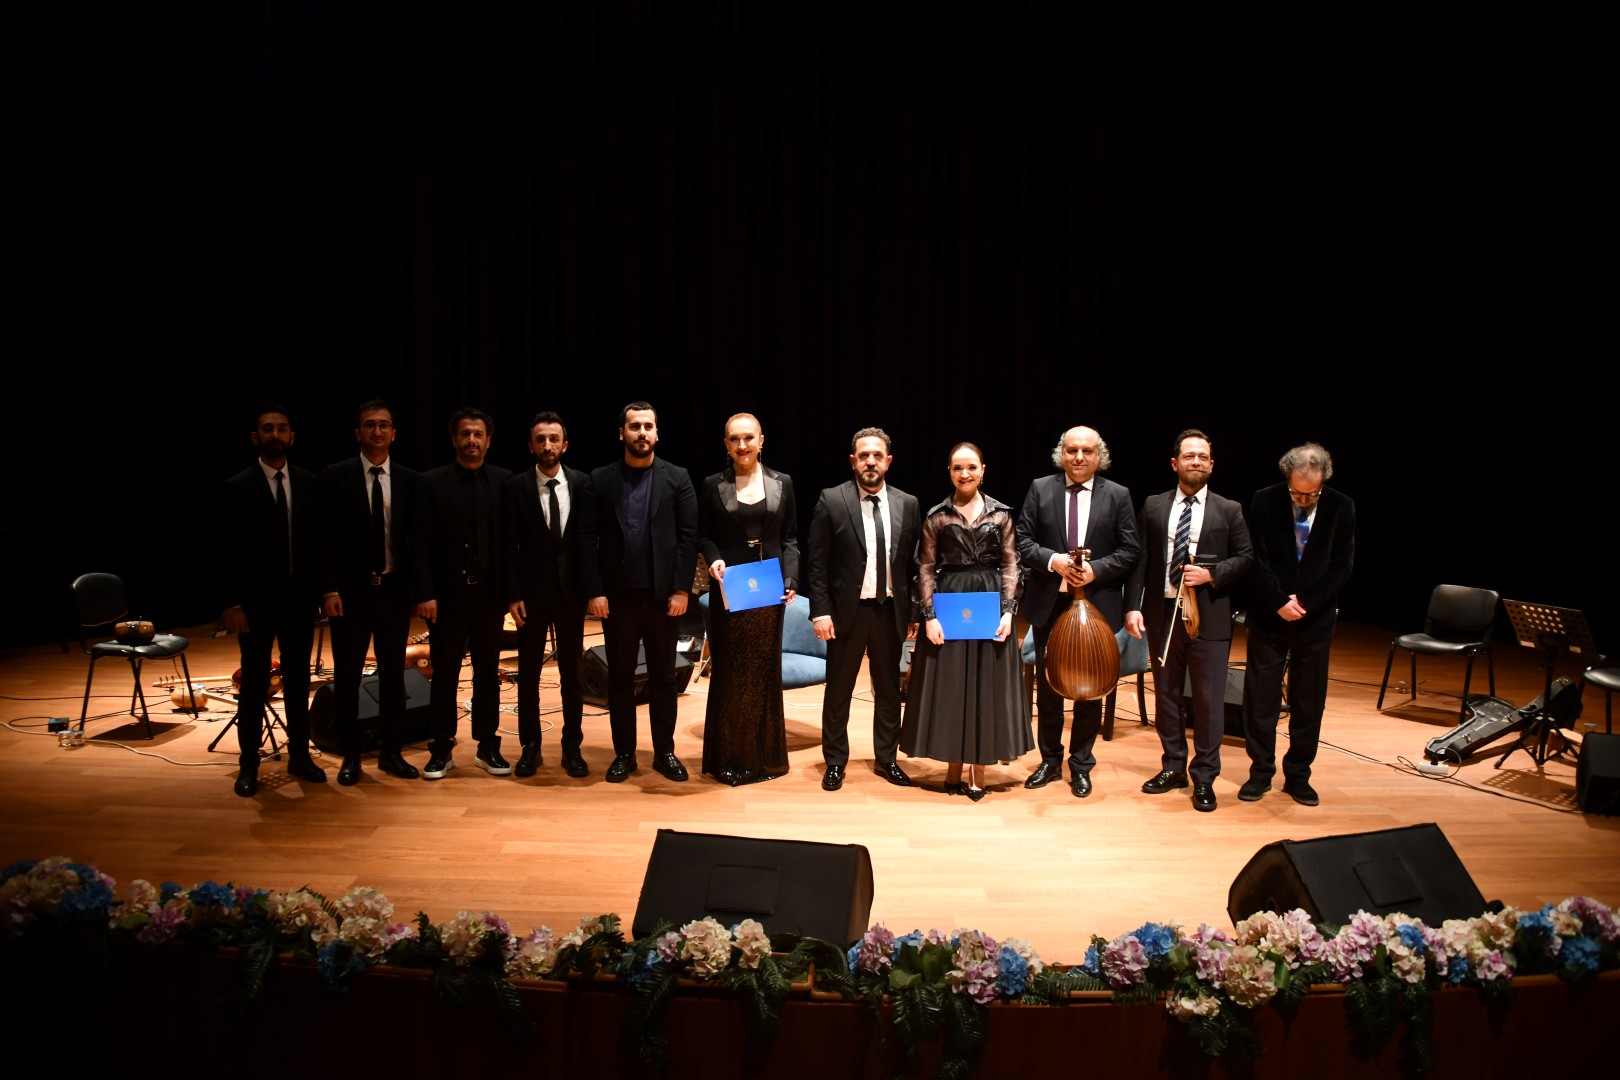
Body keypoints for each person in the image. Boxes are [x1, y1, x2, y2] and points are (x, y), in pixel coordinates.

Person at [1125, 429, 1253, 812]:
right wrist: (1133, 606)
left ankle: (1205, 777)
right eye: (1189, 456)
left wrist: (1211, 574)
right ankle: (1173, 767)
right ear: (1174, 463)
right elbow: (1141, 560)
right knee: (1165, 695)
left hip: (1208, 616)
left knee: (1209, 701)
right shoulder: (1152, 505)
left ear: (1211, 465)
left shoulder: (1229, 510)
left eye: (1202, 457)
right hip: (1163, 615)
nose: (1195, 461)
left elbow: (1246, 557)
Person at [1015, 425, 1140, 798]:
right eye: (1072, 450)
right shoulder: (1041, 488)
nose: (1079, 457)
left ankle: (1081, 764)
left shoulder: (1117, 495)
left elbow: (1131, 550)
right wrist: (1054, 561)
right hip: (1050, 604)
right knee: (1050, 687)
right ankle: (1050, 761)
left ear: (1098, 455)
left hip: (1098, 605)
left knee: (1091, 687)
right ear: (1061, 454)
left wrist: (1096, 569)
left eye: (1087, 451)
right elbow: (1022, 541)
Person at [900, 442, 1030, 800]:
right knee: (952, 684)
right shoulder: (937, 516)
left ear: (983, 469)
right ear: (950, 472)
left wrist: (1008, 611)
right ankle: (953, 765)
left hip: (989, 601)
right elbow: (924, 567)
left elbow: (1011, 565)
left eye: (971, 467)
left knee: (986, 683)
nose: (965, 474)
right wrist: (928, 616)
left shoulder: (1001, 514)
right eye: (958, 468)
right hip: (950, 600)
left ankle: (979, 766)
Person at [578, 402, 699, 784]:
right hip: (617, 600)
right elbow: (585, 539)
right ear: (622, 433)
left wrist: (681, 590)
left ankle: (664, 752)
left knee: (664, 677)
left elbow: (688, 538)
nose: (642, 433)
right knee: (620, 679)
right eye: (634, 427)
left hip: (664, 599)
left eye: (648, 426)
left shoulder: (677, 477)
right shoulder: (601, 479)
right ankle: (624, 754)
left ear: (657, 434)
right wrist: (594, 591)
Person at [1239, 443, 1356, 807]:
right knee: (1261, 700)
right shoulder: (1264, 500)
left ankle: (1298, 775)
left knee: (1309, 702)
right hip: (1269, 615)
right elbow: (1255, 557)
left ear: (1324, 482)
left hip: (1314, 619)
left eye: (1312, 493)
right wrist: (1279, 601)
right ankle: (1260, 772)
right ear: (1286, 477)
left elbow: (1342, 565)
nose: (1303, 499)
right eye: (1297, 491)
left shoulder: (1341, 506)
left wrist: (1304, 603)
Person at [806, 426, 921, 792]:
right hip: (845, 613)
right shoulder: (832, 499)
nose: (870, 462)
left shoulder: (908, 503)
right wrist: (820, 611)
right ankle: (835, 761)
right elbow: (817, 563)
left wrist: (916, 613)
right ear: (853, 461)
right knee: (839, 689)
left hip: (890, 611)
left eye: (877, 456)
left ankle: (887, 759)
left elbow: (914, 567)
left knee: (888, 690)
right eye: (863, 456)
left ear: (888, 461)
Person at [219, 405, 323, 797]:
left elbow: (317, 546)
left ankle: (300, 755)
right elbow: (225, 551)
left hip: (300, 600)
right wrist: (231, 604)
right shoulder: (237, 486)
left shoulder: (309, 484)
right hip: (255, 604)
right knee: (255, 682)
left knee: (298, 682)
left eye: (282, 428)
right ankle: (249, 763)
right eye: (267, 429)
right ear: (255, 437)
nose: (275, 434)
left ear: (292, 437)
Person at [318, 399, 420, 785]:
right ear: (357, 432)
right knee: (348, 675)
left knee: (394, 675)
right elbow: (324, 539)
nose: (377, 431)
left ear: (394, 433)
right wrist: (328, 588)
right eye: (369, 425)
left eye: (384, 425)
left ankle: (391, 752)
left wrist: (417, 592)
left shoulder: (410, 480)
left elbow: (417, 542)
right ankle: (351, 756)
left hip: (393, 591)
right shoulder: (336, 476)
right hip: (351, 594)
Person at [697, 413, 798, 785]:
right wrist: (714, 559)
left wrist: (791, 576)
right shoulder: (711, 485)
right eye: (734, 439)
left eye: (749, 438)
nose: (742, 445)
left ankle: (765, 760)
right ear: (726, 444)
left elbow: (789, 538)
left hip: (768, 591)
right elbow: (703, 535)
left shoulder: (782, 482)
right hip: (729, 587)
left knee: (764, 674)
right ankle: (729, 758)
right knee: (731, 674)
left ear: (761, 440)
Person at [412, 407, 512, 780]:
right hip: (446, 598)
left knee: (488, 673)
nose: (472, 440)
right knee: (445, 674)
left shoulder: (504, 481)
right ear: (453, 439)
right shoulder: (430, 483)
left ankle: (488, 746)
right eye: (465, 434)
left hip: (488, 597)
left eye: (479, 434)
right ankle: (441, 749)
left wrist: (510, 594)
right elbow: (419, 543)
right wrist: (425, 592)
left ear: (488, 440)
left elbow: (508, 546)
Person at [501, 411, 591, 779]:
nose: (548, 445)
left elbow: (589, 544)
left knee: (573, 675)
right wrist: (512, 593)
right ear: (531, 446)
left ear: (564, 445)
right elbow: (505, 547)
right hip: (531, 596)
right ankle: (530, 747)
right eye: (541, 439)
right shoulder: (514, 487)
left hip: (571, 596)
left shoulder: (584, 484)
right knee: (530, 675)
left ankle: (572, 747)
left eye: (554, 439)